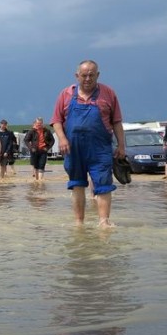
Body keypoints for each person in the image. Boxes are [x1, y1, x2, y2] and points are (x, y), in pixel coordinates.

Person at [51, 59, 126, 228]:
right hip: (73, 148)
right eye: (84, 75)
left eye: (91, 75)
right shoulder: (66, 94)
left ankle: (103, 222)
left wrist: (121, 146)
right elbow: (56, 121)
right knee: (77, 185)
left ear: (97, 75)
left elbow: (117, 122)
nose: (87, 78)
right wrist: (62, 139)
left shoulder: (109, 93)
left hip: (100, 149)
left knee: (103, 185)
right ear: (77, 76)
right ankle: (79, 223)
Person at [24, 116, 55, 181]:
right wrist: (31, 148)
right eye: (38, 124)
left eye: (40, 124)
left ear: (42, 123)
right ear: (35, 123)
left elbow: (52, 140)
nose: (39, 125)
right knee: (35, 166)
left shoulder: (47, 131)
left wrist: (48, 147)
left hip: (43, 150)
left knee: (42, 165)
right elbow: (26, 140)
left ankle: (40, 181)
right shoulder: (32, 131)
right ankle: (36, 180)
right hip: (34, 151)